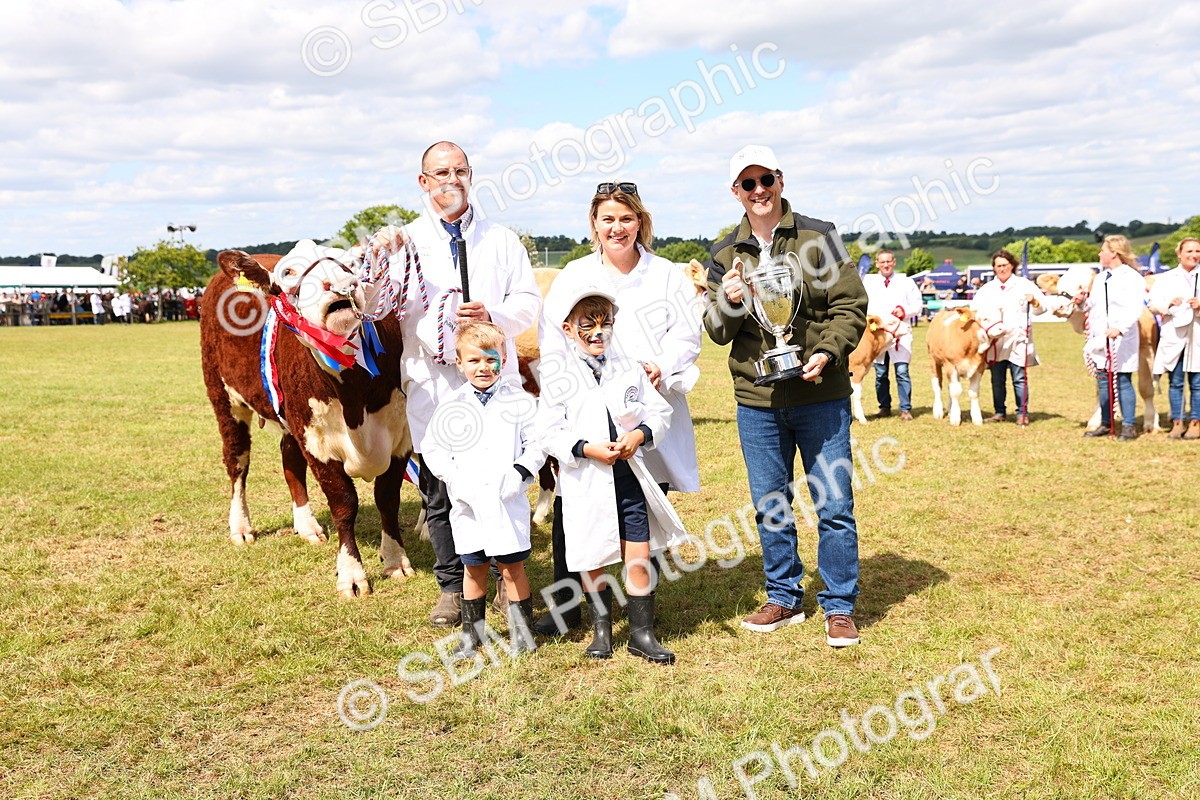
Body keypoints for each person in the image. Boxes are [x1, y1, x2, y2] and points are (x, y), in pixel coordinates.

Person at [371, 141, 542, 627]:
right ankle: (453, 586)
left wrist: (494, 314)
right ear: (423, 182)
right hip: (435, 384)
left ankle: (511, 583)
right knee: (441, 486)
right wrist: (377, 259)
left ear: (472, 176)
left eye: (460, 170)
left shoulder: (502, 240)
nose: (452, 178)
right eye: (439, 172)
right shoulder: (404, 242)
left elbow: (528, 301)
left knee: (507, 479)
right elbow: (377, 306)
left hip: (493, 382)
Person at [703, 144, 867, 648]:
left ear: (780, 180)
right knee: (770, 503)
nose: (759, 191)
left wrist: (826, 353)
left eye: (766, 180)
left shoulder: (819, 237)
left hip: (820, 392)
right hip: (758, 399)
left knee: (833, 503)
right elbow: (716, 330)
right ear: (736, 192)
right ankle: (784, 595)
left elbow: (850, 306)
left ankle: (838, 605)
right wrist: (729, 303)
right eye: (747, 184)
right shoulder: (724, 253)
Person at [532, 182, 702, 636]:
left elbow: (687, 334)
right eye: (608, 219)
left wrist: (658, 367)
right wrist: (564, 381)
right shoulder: (574, 273)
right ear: (594, 225)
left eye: (626, 218)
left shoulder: (666, 274)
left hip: (644, 400)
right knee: (578, 507)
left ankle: (640, 608)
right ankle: (569, 606)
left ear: (640, 222)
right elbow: (552, 338)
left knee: (639, 503)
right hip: (584, 405)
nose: (617, 227)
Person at [538, 284, 688, 664]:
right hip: (586, 478)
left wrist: (639, 435)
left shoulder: (628, 368)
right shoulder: (558, 374)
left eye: (606, 323)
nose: (597, 331)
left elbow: (659, 413)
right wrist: (586, 449)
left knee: (637, 551)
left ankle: (642, 633)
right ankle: (601, 630)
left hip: (628, 475)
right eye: (587, 323)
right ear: (568, 329)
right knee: (592, 551)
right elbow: (548, 430)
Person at [421, 321, 545, 656]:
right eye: (474, 361)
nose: (483, 367)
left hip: (508, 500)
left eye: (491, 359)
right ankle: (471, 637)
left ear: (503, 360)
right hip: (469, 503)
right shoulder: (451, 405)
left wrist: (520, 472)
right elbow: (433, 449)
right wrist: (455, 481)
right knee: (473, 568)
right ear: (459, 364)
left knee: (512, 567)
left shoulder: (519, 402)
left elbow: (536, 444)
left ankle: (523, 634)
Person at [1073, 235, 1145, 440]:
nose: (1099, 253)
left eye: (1102, 250)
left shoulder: (1133, 278)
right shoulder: (1101, 278)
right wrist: (1081, 302)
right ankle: (1107, 421)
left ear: (1114, 252)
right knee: (1103, 380)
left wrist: (1119, 328)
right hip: (1100, 338)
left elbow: (1135, 308)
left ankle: (1129, 425)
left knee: (1122, 379)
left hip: (1121, 338)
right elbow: (1093, 308)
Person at [970, 249, 1047, 426]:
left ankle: (1022, 412)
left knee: (1019, 377)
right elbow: (975, 310)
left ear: (1012, 265)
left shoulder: (1025, 285)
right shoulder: (987, 289)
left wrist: (1034, 301)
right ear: (994, 268)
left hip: (1018, 338)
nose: (1002, 269)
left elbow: (1042, 307)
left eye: (1005, 265)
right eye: (998, 266)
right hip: (996, 340)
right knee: (997, 379)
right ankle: (999, 412)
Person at [1148, 237, 1200, 439]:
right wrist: (1168, 304)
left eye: (1197, 251)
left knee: (1197, 382)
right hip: (1174, 337)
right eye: (1189, 251)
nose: (1194, 255)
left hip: (1197, 335)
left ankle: (1196, 422)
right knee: (1176, 381)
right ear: (1179, 254)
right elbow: (1153, 303)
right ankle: (1177, 422)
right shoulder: (1166, 278)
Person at [861, 250, 921, 420]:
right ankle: (884, 407)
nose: (885, 265)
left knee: (902, 371)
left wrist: (905, 311)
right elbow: (862, 303)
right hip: (878, 336)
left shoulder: (906, 281)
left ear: (894, 262)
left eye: (888, 261)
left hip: (900, 333)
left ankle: (905, 409)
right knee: (880, 373)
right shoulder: (869, 282)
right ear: (877, 263)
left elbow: (917, 304)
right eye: (882, 262)